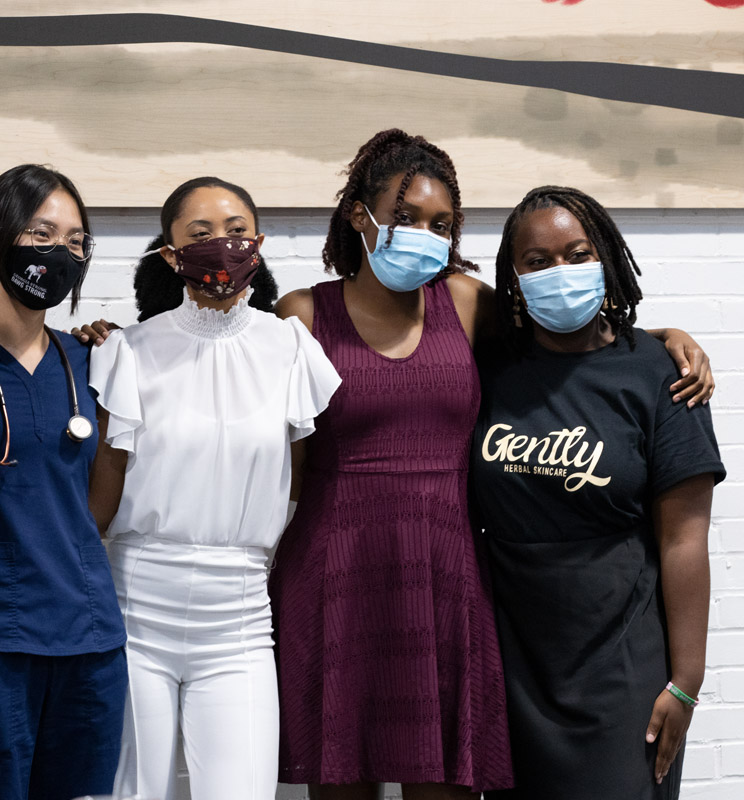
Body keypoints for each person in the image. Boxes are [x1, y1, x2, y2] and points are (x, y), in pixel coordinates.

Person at [269, 129, 715, 800]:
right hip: (337, 573)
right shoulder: (300, 316)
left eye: (441, 224)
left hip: (448, 579)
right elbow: (284, 463)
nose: (424, 233)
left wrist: (656, 340)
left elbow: (569, 341)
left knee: (448, 783)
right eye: (406, 217)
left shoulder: (468, 302)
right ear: (358, 214)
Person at [87, 176, 341, 800]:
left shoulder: (290, 348)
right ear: (171, 255)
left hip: (241, 618)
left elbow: (298, 482)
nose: (221, 246)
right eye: (200, 235)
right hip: (134, 609)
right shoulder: (128, 350)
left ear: (257, 242)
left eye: (235, 231)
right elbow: (104, 495)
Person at [472, 185, 724, 800]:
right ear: (513, 277)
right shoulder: (489, 365)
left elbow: (686, 540)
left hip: (620, 663)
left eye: (578, 254)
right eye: (537, 262)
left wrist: (686, 681)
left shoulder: (660, 375)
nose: (561, 273)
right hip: (510, 661)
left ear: (606, 260)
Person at [0, 164, 127, 800]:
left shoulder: (89, 357)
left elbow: (97, 504)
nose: (59, 254)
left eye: (74, 242)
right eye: (42, 234)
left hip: (88, 634)